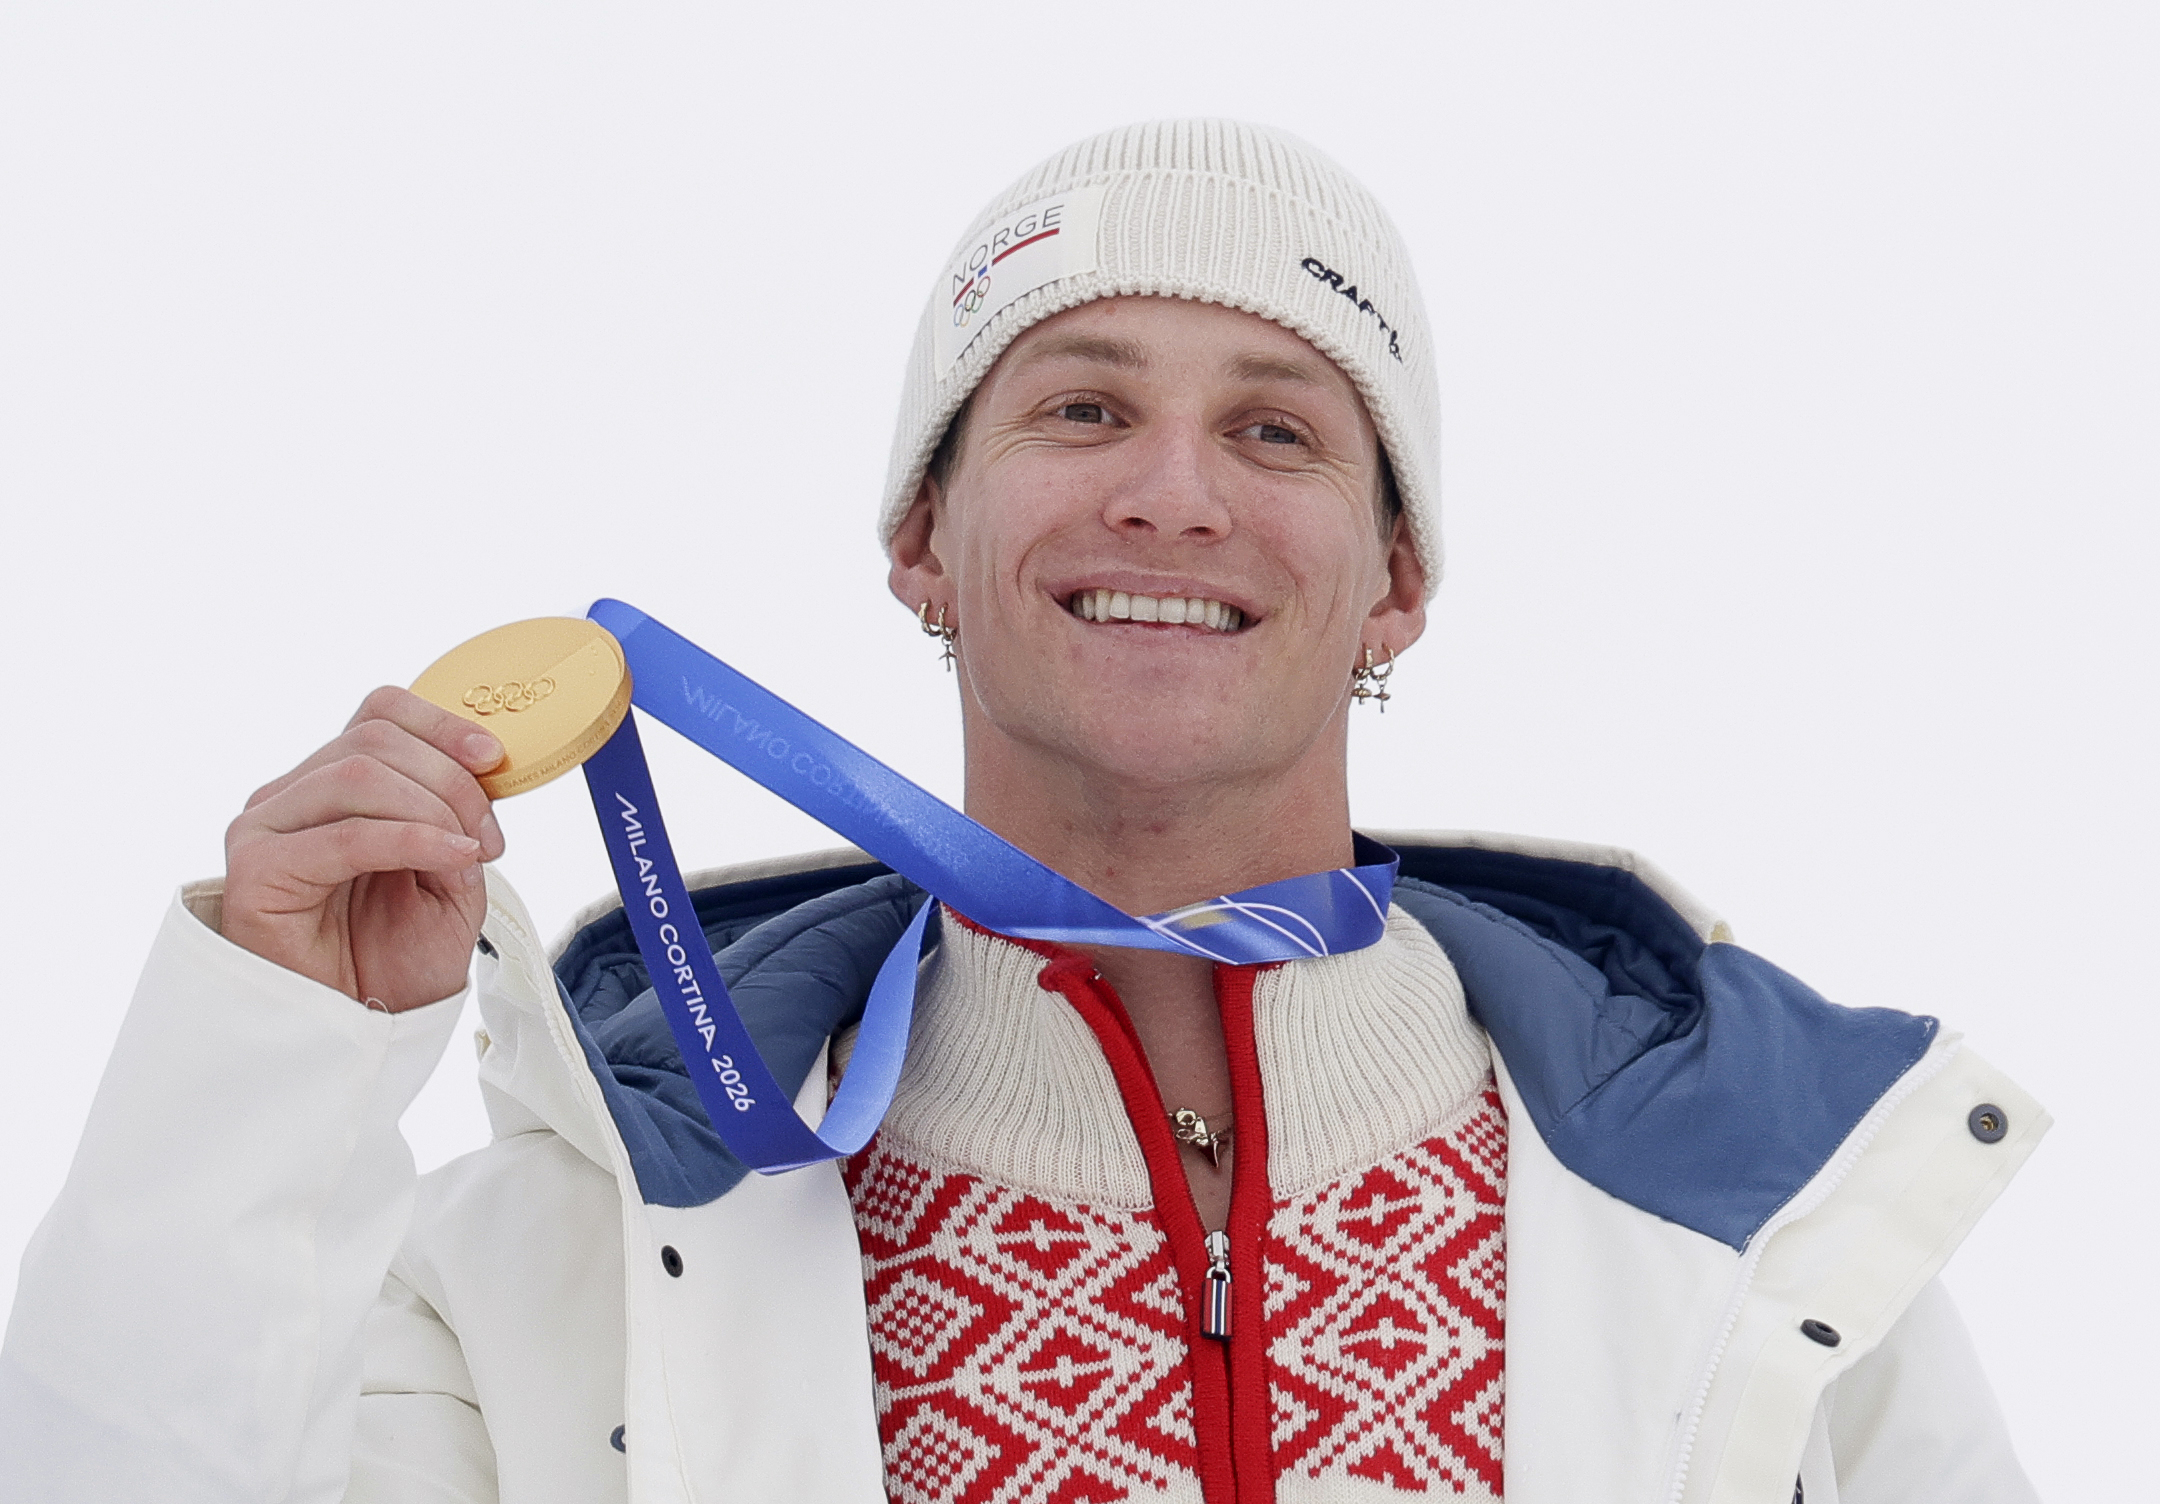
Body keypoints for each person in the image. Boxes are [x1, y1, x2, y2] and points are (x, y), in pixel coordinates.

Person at [0, 120, 2045, 1504]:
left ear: (1396, 578)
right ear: (923, 536)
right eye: (1080, 405)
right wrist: (276, 1061)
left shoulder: (1763, 1220)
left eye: (1276, 424)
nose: (1173, 489)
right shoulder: (578, 1248)